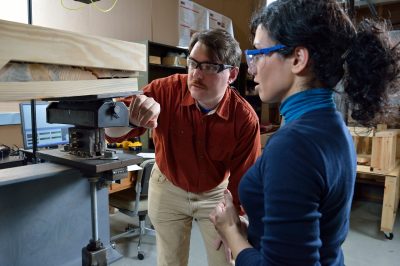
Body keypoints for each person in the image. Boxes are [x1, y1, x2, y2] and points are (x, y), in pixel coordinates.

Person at [209, 0, 400, 265]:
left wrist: (231, 232)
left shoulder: (294, 146)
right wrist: (256, 232)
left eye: (260, 53)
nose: (251, 67)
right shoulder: (332, 126)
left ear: (298, 59)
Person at [106, 28, 261, 266]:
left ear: (231, 75)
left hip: (215, 193)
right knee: (171, 261)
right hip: (168, 187)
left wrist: (238, 223)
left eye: (209, 66)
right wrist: (131, 119)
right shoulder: (164, 90)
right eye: (192, 63)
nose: (196, 74)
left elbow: (244, 180)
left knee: (225, 259)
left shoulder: (244, 119)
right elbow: (111, 130)